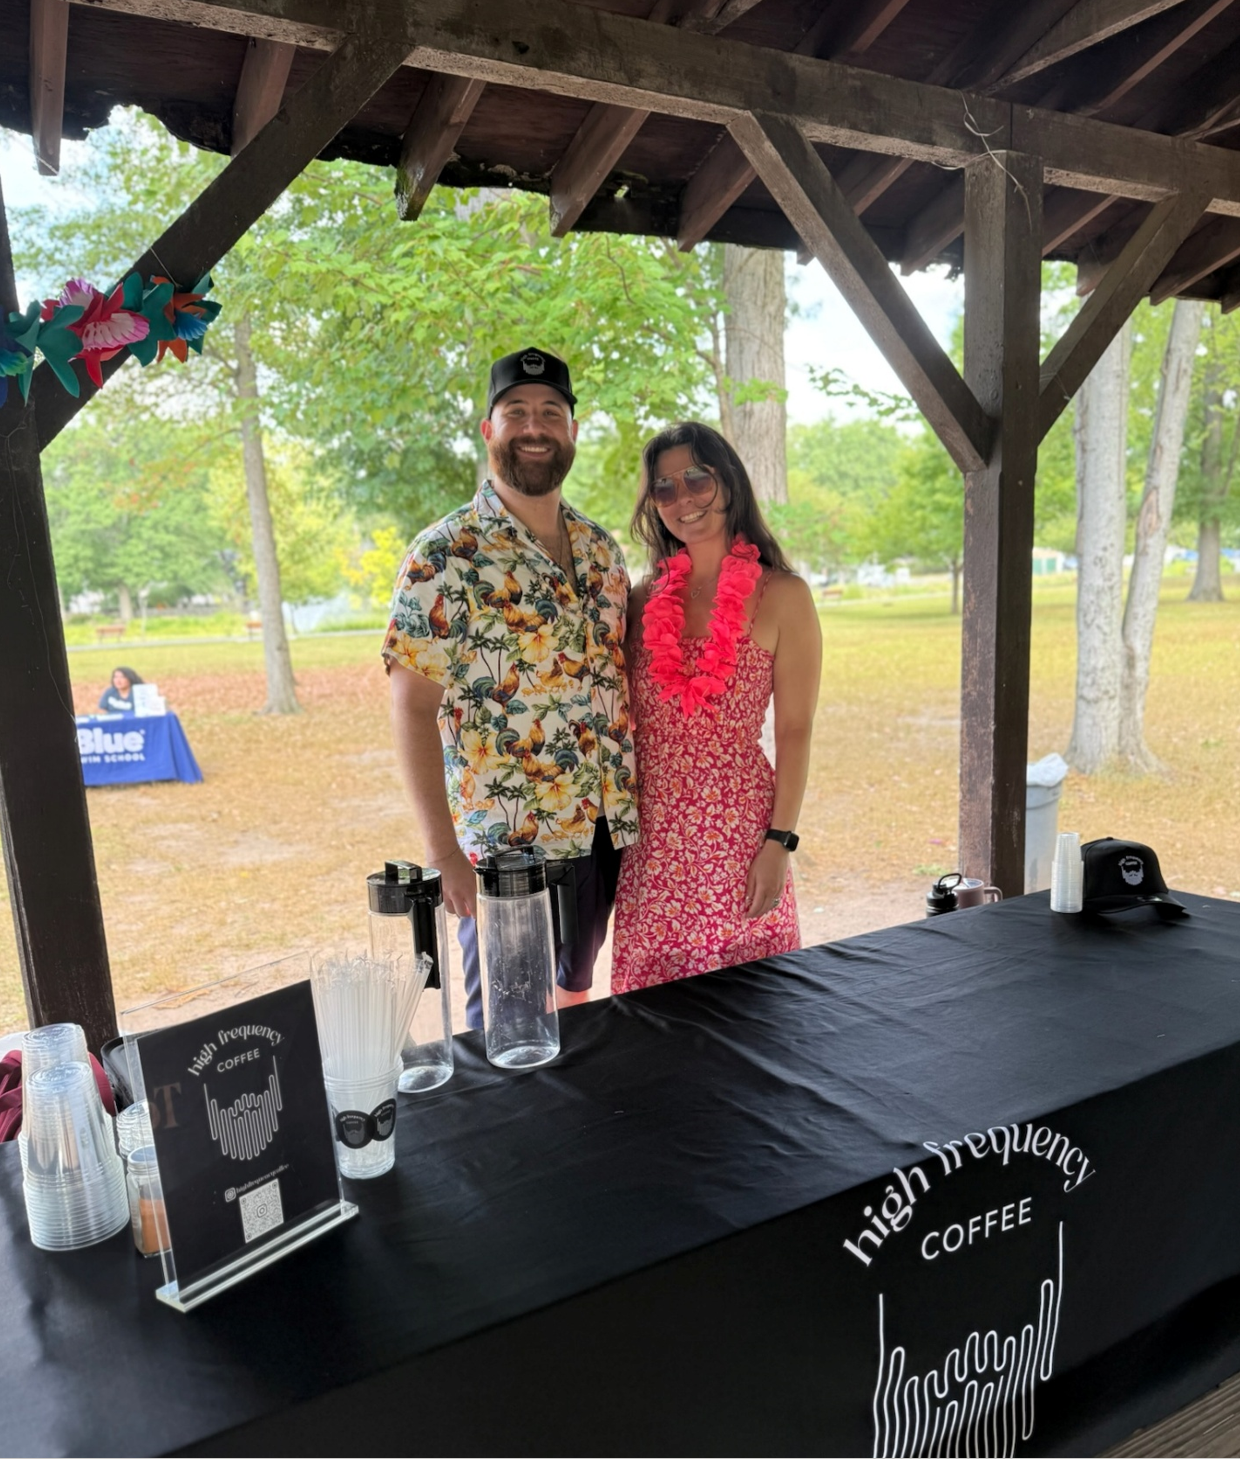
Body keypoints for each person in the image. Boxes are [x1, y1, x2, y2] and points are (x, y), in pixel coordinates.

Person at [384, 348, 638, 1029]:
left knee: (575, 1008)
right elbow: (411, 709)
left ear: (573, 431)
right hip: (508, 848)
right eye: (516, 412)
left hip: (599, 832)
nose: (535, 426)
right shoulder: (444, 555)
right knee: (508, 1027)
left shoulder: (602, 551)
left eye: (551, 412)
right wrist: (442, 855)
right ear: (487, 429)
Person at [611, 422, 821, 993]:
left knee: (753, 1013)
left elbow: (796, 731)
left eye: (697, 479)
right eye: (665, 489)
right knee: (654, 1024)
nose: (684, 500)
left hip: (741, 840)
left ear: (728, 480)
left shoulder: (784, 596)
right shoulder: (639, 600)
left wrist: (779, 844)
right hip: (653, 846)